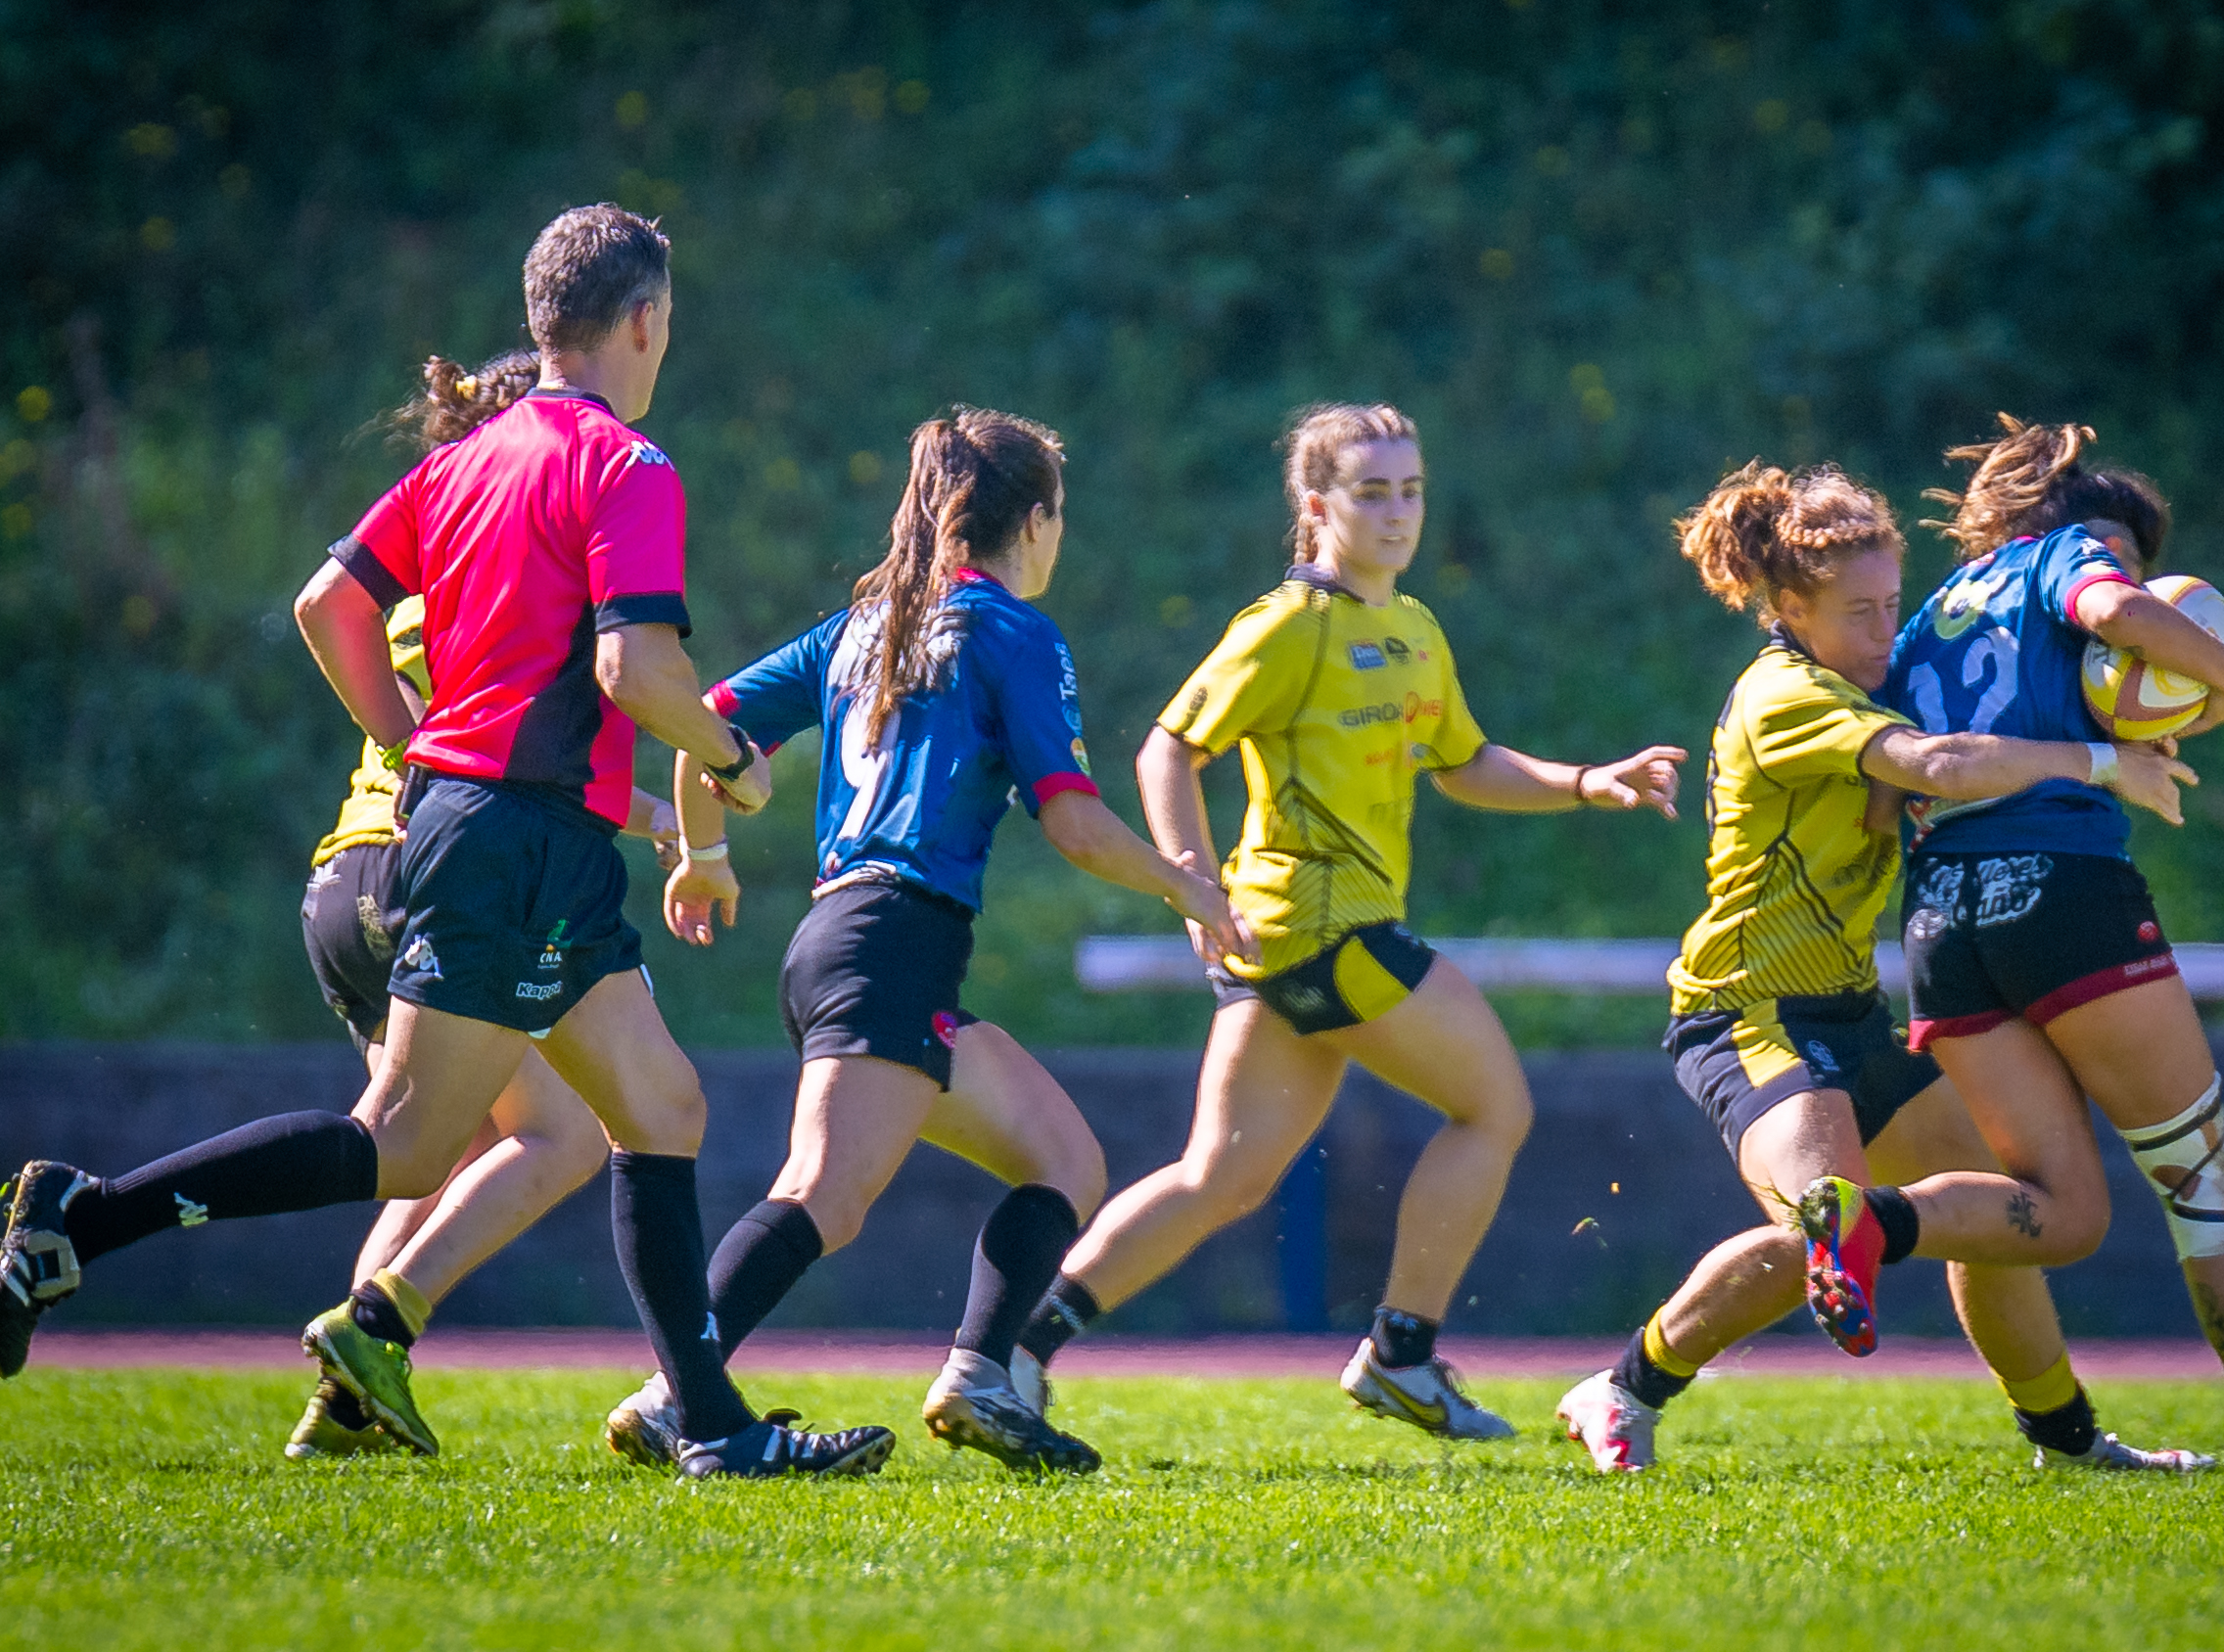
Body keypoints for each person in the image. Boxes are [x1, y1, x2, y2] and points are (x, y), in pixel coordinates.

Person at [0, 203, 890, 1481]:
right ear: (644, 321)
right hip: (516, 839)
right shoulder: (628, 463)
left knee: (661, 1106)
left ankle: (711, 1425)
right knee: (412, 1140)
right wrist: (727, 756)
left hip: (517, 836)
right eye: (668, 321)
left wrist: (411, 742)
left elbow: (328, 604)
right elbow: (636, 669)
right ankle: (80, 1218)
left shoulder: (466, 457)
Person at [1007, 401, 1687, 1441]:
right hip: (1320, 929)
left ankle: (1013, 1349)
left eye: (1410, 490)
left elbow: (1464, 762)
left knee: (1220, 1175)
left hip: (1293, 944)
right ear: (1318, 507)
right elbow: (1167, 749)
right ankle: (1400, 1356)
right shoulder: (1288, 626)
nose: (1397, 511)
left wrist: (1587, 781)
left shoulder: (1412, 627)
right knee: (1493, 1106)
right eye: (1371, 492)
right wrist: (1190, 880)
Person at [599, 408, 1248, 1475]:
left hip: (853, 941)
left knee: (1063, 1159)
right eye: (1058, 517)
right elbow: (1074, 822)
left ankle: (979, 1374)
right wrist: (1189, 886)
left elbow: (703, 720)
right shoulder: (1013, 633)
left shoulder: (862, 625)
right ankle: (676, 1396)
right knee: (823, 1191)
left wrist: (705, 854)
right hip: (890, 941)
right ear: (1033, 521)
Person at [1552, 460, 2206, 1473]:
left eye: (1893, 604)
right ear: (1787, 609)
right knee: (1826, 1229)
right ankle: (1623, 1387)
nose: (1883, 632)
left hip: (1847, 1014)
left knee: (1991, 1210)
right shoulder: (1785, 693)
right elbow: (1941, 764)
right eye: (1858, 612)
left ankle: (2067, 1439)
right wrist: (2102, 763)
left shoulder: (1866, 678)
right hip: (1749, 1015)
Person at [1798, 415, 2224, 1469]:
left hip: (1940, 926)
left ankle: (1872, 1223)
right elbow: (2113, 611)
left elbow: (1882, 800)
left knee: (2061, 1211)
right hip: (2063, 892)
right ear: (2071, 526)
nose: (2129, 576)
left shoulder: (1924, 618)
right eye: (2125, 551)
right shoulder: (2066, 554)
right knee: (2199, 1178)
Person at [285, 356, 686, 1457]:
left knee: (431, 1143)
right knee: (559, 1133)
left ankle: (346, 1398)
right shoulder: (508, 569)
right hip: (430, 873)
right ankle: (109, 1215)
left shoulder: (433, 554)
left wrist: (651, 811)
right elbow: (516, 753)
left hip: (343, 885)